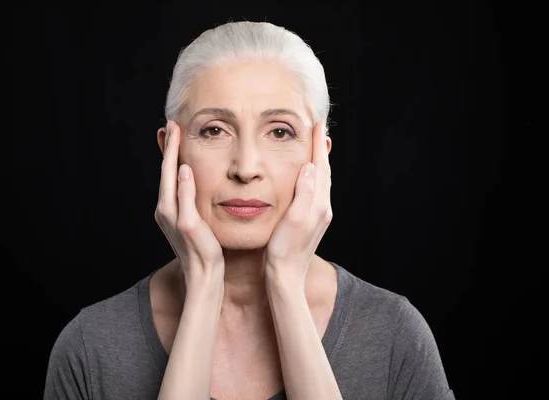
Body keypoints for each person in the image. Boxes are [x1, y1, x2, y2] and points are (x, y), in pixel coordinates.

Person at [43, 21, 455, 400]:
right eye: (215, 130)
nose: (246, 168)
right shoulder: (90, 346)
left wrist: (285, 284)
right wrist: (204, 284)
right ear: (170, 151)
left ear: (319, 159)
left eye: (280, 131)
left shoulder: (395, 336)